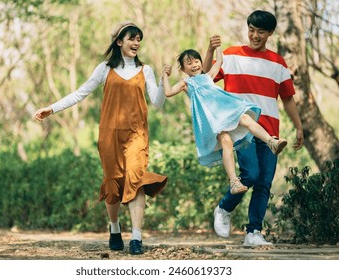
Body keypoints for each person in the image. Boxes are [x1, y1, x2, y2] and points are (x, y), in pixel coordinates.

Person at [33, 22, 168, 255]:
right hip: (109, 135)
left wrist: (165, 79)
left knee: (136, 179)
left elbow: (157, 101)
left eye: (138, 39)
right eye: (131, 39)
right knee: (113, 184)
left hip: (137, 135)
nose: (136, 43)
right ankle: (114, 227)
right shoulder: (105, 69)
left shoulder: (145, 70)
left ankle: (136, 237)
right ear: (119, 42)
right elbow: (81, 93)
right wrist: (52, 108)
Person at [203, 10, 304, 246]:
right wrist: (209, 50)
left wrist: (299, 127)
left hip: (270, 131)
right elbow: (205, 76)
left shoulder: (278, 62)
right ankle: (224, 208)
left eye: (260, 31)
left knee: (264, 182)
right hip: (241, 128)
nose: (254, 35)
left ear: (269, 33)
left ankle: (253, 232)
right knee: (251, 174)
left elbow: (288, 98)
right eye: (251, 29)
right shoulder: (230, 55)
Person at [162, 42, 288, 195]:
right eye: (189, 63)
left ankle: (271, 141)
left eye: (196, 61)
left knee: (247, 119)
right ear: (183, 69)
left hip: (226, 110)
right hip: (211, 119)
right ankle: (234, 181)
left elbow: (220, 61)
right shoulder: (186, 83)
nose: (194, 65)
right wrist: (165, 76)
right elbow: (168, 92)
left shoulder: (208, 76)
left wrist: (217, 47)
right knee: (226, 141)